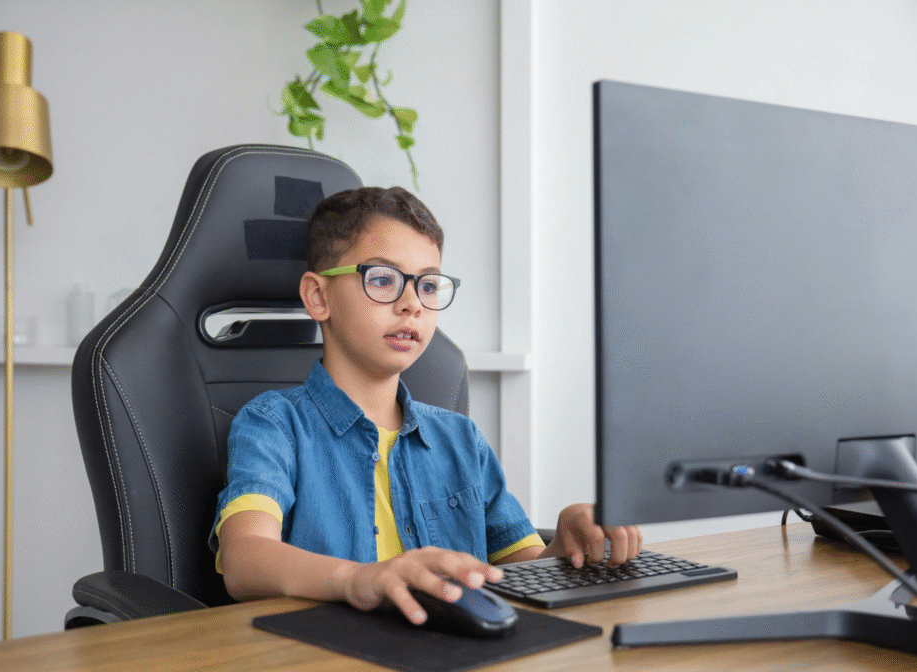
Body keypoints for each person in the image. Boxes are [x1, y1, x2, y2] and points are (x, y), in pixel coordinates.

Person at [210, 186, 641, 626]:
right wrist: (360, 579)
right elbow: (245, 559)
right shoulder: (273, 424)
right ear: (319, 297)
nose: (412, 304)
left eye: (428, 285)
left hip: (452, 652)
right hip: (328, 652)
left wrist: (565, 546)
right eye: (383, 279)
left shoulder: (460, 439)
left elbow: (517, 574)